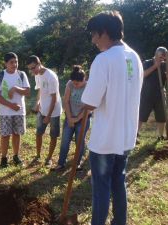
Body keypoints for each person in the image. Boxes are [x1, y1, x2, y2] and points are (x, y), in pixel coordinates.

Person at [82, 11, 143, 225]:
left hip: (105, 139)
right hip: (126, 136)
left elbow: (89, 103)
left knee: (101, 189)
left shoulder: (103, 59)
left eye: (94, 35)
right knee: (119, 182)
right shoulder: (135, 57)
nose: (93, 40)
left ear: (104, 32)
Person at [0, 52, 30, 168]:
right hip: (5, 112)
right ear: (6, 63)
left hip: (19, 111)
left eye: (16, 61)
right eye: (11, 62)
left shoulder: (22, 74)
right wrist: (10, 105)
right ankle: (4, 158)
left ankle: (16, 156)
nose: (14, 64)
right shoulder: (0, 75)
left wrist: (15, 88)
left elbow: (27, 92)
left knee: (16, 134)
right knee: (5, 135)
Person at [52, 65, 90, 171]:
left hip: (83, 118)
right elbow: (66, 101)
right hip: (70, 116)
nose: (75, 85)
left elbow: (89, 107)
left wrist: (77, 119)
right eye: (73, 83)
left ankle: (78, 163)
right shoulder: (70, 83)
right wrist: (69, 118)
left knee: (80, 140)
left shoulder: (89, 86)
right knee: (65, 140)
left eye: (77, 83)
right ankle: (61, 163)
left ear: (84, 80)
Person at [27, 55, 62, 166]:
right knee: (38, 133)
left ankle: (49, 158)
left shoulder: (51, 76)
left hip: (54, 112)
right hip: (42, 110)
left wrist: (48, 116)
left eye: (33, 68)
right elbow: (40, 90)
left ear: (39, 63)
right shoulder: (37, 75)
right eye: (30, 69)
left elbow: (54, 98)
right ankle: (37, 155)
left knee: (53, 135)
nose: (32, 71)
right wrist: (38, 103)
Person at [138, 47, 167, 141]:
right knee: (141, 115)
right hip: (147, 93)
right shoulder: (147, 63)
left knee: (161, 115)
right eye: (161, 55)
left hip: (160, 94)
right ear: (156, 54)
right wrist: (155, 66)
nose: (162, 58)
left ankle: (161, 135)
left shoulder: (165, 65)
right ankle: (135, 135)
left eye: (164, 56)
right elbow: (142, 75)